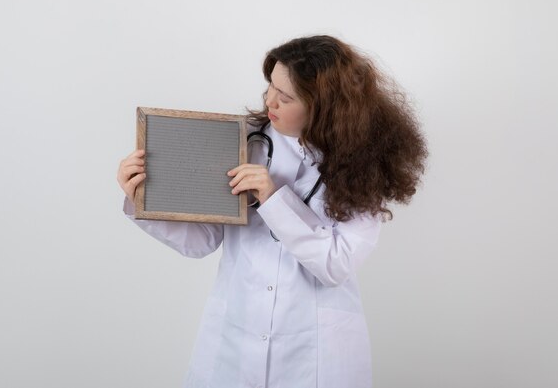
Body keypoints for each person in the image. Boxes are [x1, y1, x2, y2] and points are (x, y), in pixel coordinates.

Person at [117, 35, 428, 388]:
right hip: (235, 339)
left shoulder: (365, 168)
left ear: (325, 107)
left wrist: (274, 198)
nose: (269, 102)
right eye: (270, 87)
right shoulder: (243, 141)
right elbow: (202, 241)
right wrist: (143, 199)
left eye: (286, 97)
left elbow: (336, 264)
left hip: (314, 352)